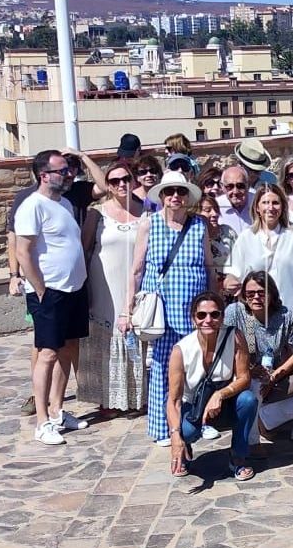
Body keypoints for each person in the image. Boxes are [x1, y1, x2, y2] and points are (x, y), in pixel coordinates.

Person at [14, 150, 91, 445]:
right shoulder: (32, 206)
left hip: (73, 288)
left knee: (68, 348)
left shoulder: (66, 204)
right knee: (47, 353)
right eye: (62, 171)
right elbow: (23, 251)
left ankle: (58, 410)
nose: (69, 174)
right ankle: (42, 420)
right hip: (50, 291)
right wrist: (41, 289)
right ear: (44, 175)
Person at [131, 169, 211, 446]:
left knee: (198, 368)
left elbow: (209, 265)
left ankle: (196, 420)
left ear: (187, 196)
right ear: (162, 196)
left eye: (180, 191)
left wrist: (213, 300)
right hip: (163, 310)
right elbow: (137, 268)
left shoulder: (199, 225)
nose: (175, 196)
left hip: (195, 310)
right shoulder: (149, 224)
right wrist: (126, 308)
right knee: (165, 368)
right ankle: (162, 427)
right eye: (169, 192)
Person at [78, 159, 146, 419]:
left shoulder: (146, 212)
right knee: (105, 338)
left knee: (136, 335)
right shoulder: (97, 214)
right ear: (107, 185)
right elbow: (84, 249)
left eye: (125, 179)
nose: (121, 185)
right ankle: (107, 398)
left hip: (135, 283)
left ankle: (138, 396)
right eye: (114, 181)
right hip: (103, 282)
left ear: (133, 181)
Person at [166, 289, 256, 479]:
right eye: (201, 315)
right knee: (187, 432)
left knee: (248, 400)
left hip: (224, 404)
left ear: (222, 317)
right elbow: (173, 401)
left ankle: (238, 456)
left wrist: (220, 394)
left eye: (215, 314)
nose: (208, 320)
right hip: (195, 408)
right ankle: (185, 448)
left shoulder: (235, 337)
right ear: (193, 319)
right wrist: (175, 436)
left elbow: (244, 378)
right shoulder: (181, 350)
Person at [231, 269, 293, 447]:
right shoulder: (236, 313)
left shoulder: (285, 316)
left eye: (261, 293)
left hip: (274, 373)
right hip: (244, 372)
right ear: (244, 295)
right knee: (254, 389)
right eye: (250, 294)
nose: (256, 298)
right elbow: (226, 348)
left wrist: (274, 376)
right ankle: (252, 441)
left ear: (272, 294)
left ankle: (263, 420)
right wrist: (249, 370)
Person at [227, 182, 293, 322]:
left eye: (275, 203)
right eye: (265, 202)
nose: (270, 208)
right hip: (254, 317)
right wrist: (230, 282)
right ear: (257, 207)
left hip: (289, 315)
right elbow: (233, 274)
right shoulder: (246, 237)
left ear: (282, 206)